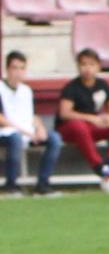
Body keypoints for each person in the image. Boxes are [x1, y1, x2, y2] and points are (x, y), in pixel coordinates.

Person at [56, 48, 109, 180]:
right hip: (70, 130)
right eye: (83, 64)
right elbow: (64, 113)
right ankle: (97, 165)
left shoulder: (102, 85)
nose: (87, 68)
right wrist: (92, 118)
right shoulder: (71, 87)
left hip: (92, 128)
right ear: (78, 66)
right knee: (78, 125)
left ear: (98, 66)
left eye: (91, 64)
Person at [0, 51, 62, 196]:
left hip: (27, 132)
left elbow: (32, 115)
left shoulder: (26, 91)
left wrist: (40, 128)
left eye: (22, 68)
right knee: (15, 138)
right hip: (6, 133)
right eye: (15, 68)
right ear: (7, 69)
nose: (18, 72)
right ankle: (11, 185)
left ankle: (43, 184)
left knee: (54, 139)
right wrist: (26, 132)